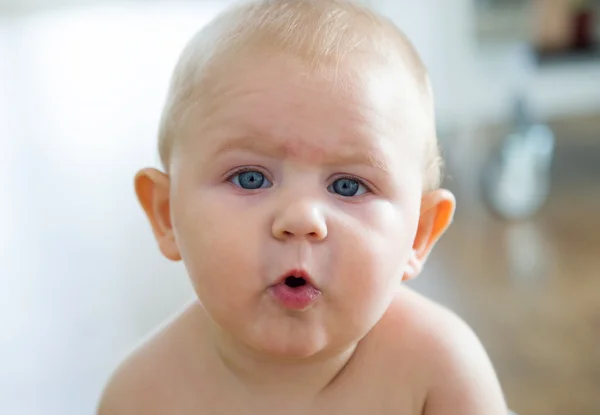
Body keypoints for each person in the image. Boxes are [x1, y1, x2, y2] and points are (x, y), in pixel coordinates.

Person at [98, 0, 508, 413]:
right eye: (250, 178)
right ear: (167, 214)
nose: (301, 218)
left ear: (418, 235)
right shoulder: (142, 396)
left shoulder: (439, 370)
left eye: (348, 186)